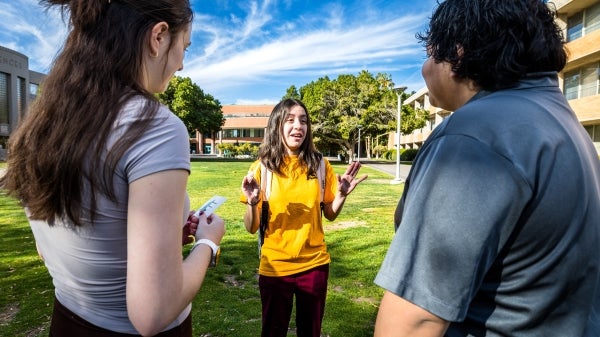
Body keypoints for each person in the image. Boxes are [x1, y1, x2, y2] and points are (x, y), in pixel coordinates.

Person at [374, 0, 600, 336]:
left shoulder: (474, 135)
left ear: (458, 54)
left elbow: (416, 319)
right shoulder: (565, 124)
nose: (425, 67)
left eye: (430, 53)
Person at [0, 0, 225, 336]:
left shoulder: (49, 124)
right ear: (159, 36)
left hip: (67, 320)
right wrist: (208, 242)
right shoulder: (155, 128)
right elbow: (153, 313)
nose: (181, 65)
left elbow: (57, 248)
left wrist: (159, 241)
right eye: (185, 47)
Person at [240, 98, 367, 337]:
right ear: (277, 125)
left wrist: (340, 195)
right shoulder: (261, 168)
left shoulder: (320, 165)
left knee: (311, 332)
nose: (298, 126)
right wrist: (252, 202)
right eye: (290, 120)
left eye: (303, 121)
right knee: (272, 331)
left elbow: (329, 214)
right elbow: (251, 227)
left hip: (315, 265)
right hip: (275, 268)